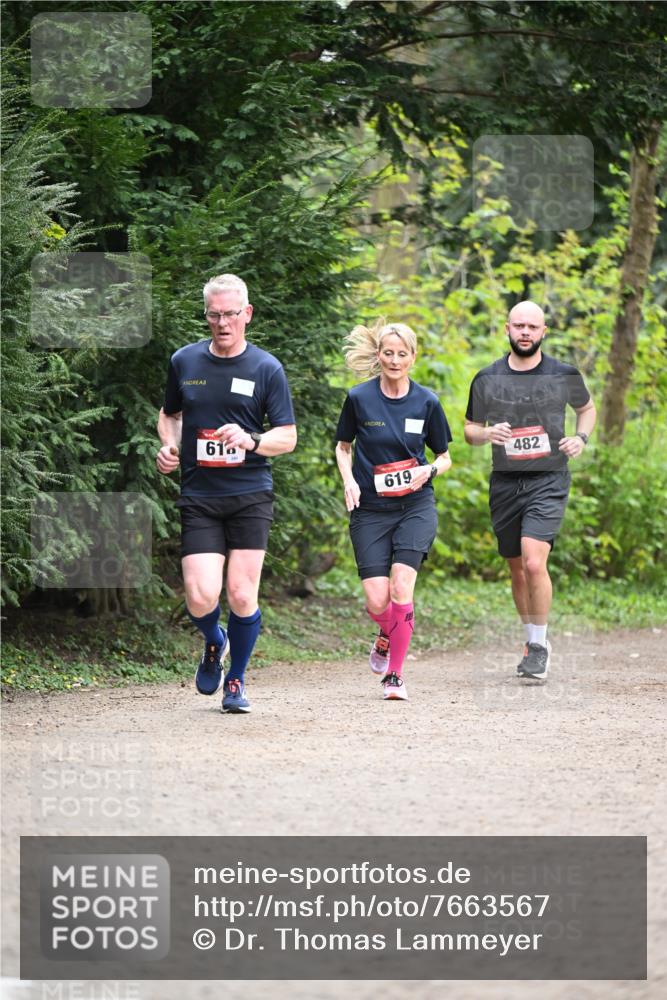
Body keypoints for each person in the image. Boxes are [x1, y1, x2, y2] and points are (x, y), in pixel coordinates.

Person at [156, 273, 297, 713]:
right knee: (200, 596)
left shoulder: (266, 368)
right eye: (214, 315)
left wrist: (252, 439)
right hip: (200, 495)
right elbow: (169, 415)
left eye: (230, 314)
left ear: (247, 314)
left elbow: (288, 436)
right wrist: (170, 446)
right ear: (206, 315)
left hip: (250, 494)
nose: (222, 323)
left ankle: (236, 680)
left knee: (240, 594)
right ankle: (215, 641)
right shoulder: (185, 361)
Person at [464, 300, 596, 681]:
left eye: (532, 327)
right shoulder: (487, 378)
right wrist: (487, 433)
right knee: (517, 569)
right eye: (519, 326)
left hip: (548, 479)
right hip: (505, 483)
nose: (525, 332)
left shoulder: (563, 374)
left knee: (534, 561)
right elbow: (470, 429)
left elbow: (587, 409)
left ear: (543, 332)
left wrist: (581, 438)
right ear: (507, 328)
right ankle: (532, 640)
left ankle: (539, 646)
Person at [335, 320, 452, 701]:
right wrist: (349, 481)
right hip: (370, 508)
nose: (395, 360)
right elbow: (343, 447)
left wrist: (428, 470)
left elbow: (445, 457)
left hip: (415, 505)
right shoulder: (359, 398)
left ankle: (395, 676)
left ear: (413, 358)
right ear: (379, 355)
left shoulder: (427, 402)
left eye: (402, 354)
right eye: (389, 353)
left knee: (402, 585)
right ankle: (387, 632)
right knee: (377, 599)